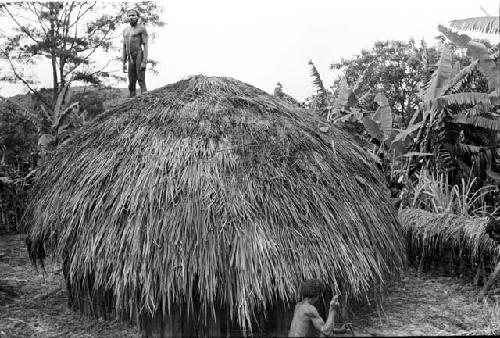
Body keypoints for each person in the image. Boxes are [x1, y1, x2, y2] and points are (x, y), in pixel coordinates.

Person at [122, 8, 148, 97]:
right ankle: (131, 103)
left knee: (141, 80)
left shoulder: (141, 29)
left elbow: (146, 45)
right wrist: (124, 62)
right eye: (129, 15)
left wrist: (144, 61)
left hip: (139, 55)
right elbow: (124, 47)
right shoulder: (125, 31)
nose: (131, 17)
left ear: (137, 17)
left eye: (133, 15)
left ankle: (145, 99)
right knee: (131, 83)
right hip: (130, 58)